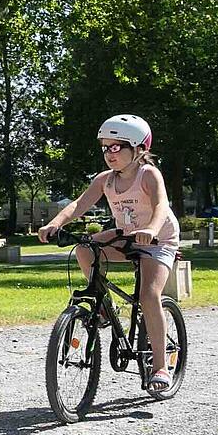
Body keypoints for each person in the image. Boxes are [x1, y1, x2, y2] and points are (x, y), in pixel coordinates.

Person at [38, 114, 180, 393]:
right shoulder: (104, 180)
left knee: (148, 295)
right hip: (127, 235)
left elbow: (161, 205)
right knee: (84, 249)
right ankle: (102, 307)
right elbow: (79, 204)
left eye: (117, 147)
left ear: (139, 148)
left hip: (158, 240)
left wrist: (151, 228)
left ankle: (161, 366)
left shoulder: (148, 174)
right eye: (105, 147)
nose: (109, 153)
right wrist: (55, 223)